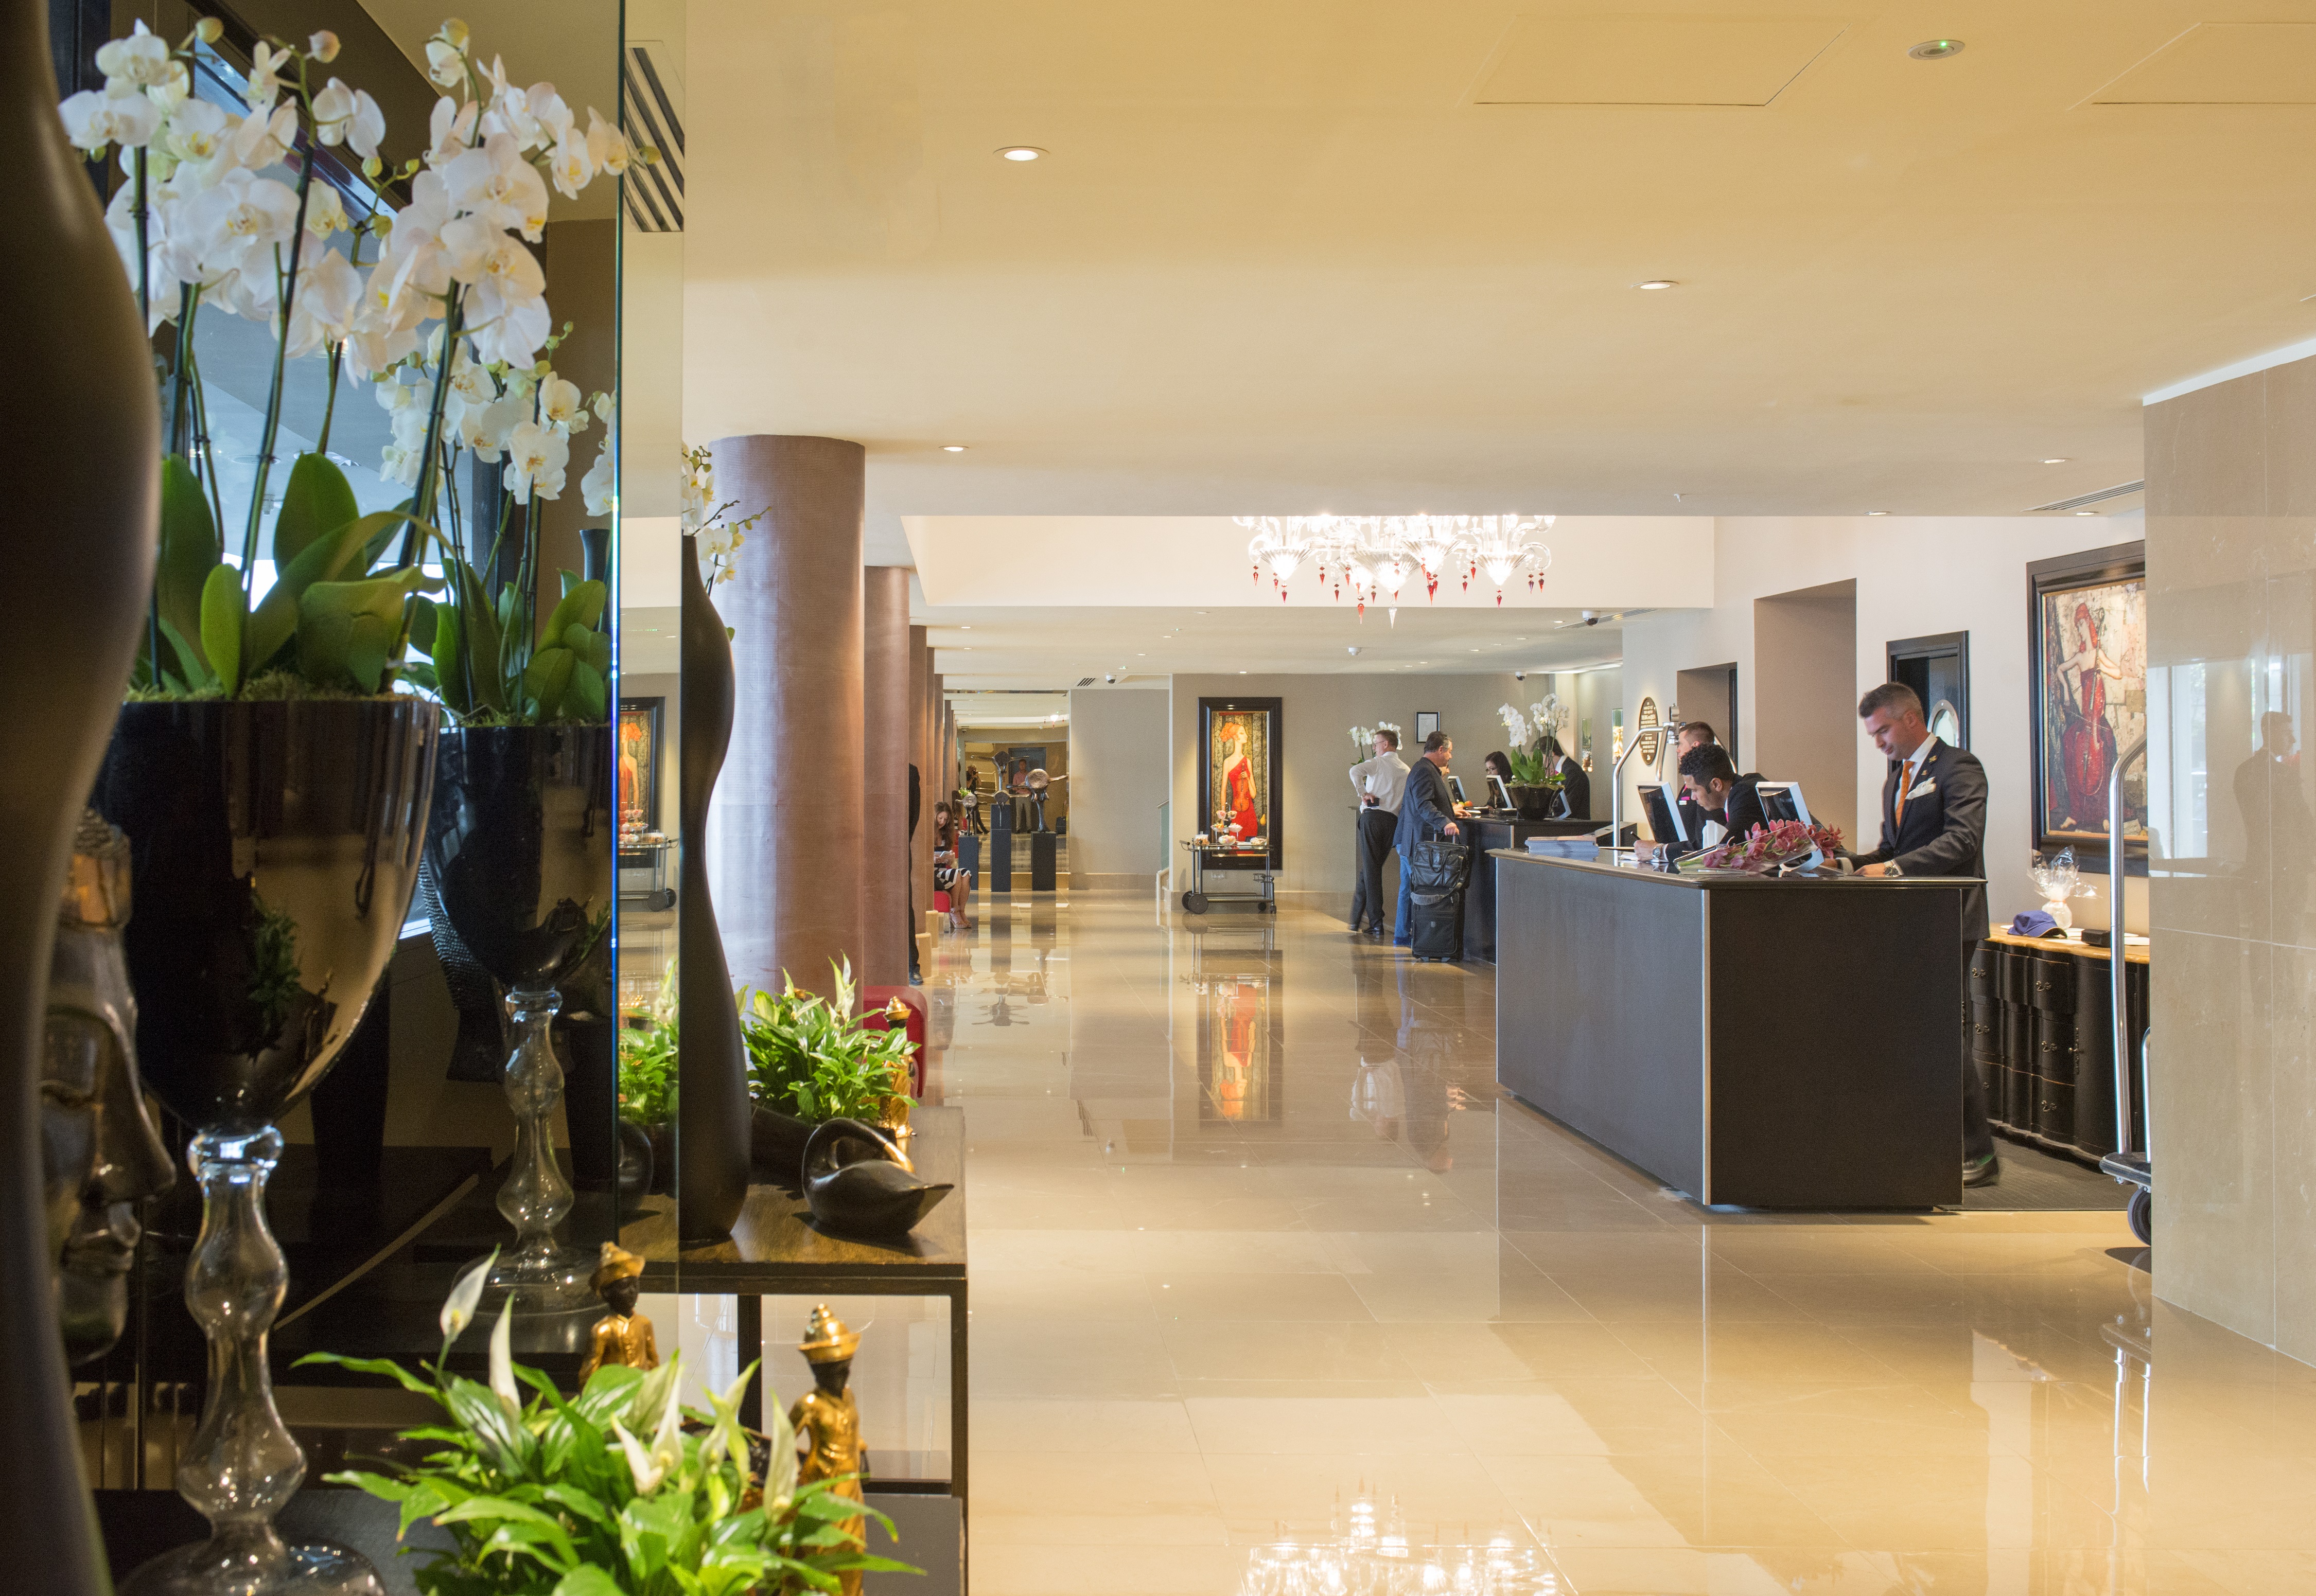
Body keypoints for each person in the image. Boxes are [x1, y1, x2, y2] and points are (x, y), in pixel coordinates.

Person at [1852, 681, 1998, 1188]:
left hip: (1948, 919)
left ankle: (1977, 1152)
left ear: (1911, 720)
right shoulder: (1897, 778)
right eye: (1873, 735)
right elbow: (1890, 848)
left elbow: (1962, 840)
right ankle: (1926, 1140)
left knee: (1944, 1034)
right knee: (1915, 1034)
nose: (1879, 743)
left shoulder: (1959, 767)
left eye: (1883, 731)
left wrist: (1892, 872)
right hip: (1904, 920)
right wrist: (1847, 864)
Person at [1392, 730, 1466, 949]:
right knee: (1417, 889)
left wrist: (1450, 811)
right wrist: (1445, 822)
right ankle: (1416, 937)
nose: (1451, 757)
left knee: (1408, 888)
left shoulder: (1422, 769)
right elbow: (1424, 804)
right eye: (1450, 752)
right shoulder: (1425, 771)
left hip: (1408, 840)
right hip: (1417, 842)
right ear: (1440, 750)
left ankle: (1403, 935)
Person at [1348, 728, 1409, 937]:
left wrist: (1363, 793)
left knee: (1372, 872)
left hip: (1373, 819)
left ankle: (1376, 923)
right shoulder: (1406, 769)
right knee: (1370, 869)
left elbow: (1354, 771)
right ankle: (1355, 920)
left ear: (1386, 744)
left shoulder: (1379, 763)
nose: (1374, 748)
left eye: (1376, 744)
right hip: (1392, 822)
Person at [1675, 743, 1766, 854]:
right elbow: (1703, 843)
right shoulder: (1721, 800)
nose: (1693, 798)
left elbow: (1722, 847)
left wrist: (1659, 850)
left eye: (1695, 790)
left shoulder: (1746, 794)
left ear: (1717, 784)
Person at [933, 800, 974, 931]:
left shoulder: (945, 834)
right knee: (956, 875)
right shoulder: (927, 833)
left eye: (945, 819)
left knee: (966, 874)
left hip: (943, 870)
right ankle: (954, 911)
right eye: (940, 818)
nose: (942, 822)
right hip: (932, 873)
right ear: (935, 817)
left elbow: (950, 863)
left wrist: (950, 859)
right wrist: (932, 859)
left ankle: (961, 911)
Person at [1539, 733, 1589, 819]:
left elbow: (1566, 809)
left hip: (1575, 828)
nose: (1540, 764)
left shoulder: (1572, 772)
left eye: (1542, 758)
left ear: (1551, 754)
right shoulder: (1562, 771)